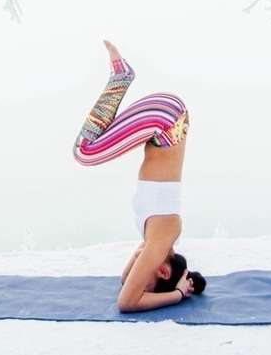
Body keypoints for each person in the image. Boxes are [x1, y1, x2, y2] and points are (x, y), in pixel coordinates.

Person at [72, 39, 206, 313]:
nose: (139, 282)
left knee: (87, 150)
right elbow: (127, 302)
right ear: (164, 272)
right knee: (85, 152)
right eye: (148, 283)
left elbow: (125, 281)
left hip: (167, 122)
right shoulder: (161, 240)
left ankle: (122, 77)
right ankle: (121, 77)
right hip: (166, 123)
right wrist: (177, 295)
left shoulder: (158, 241)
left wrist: (179, 282)